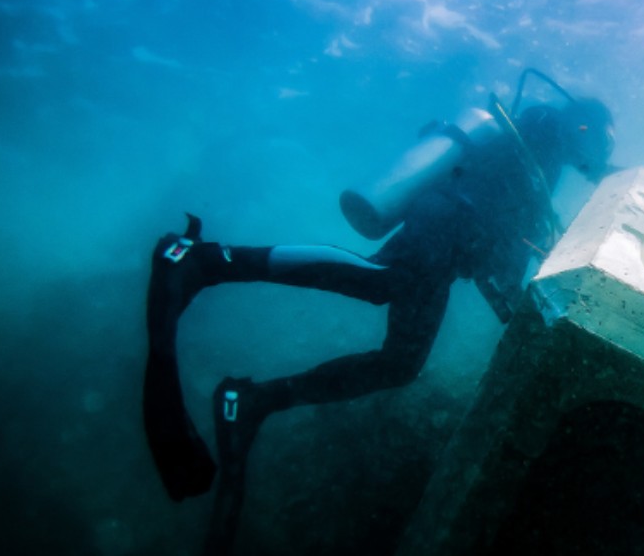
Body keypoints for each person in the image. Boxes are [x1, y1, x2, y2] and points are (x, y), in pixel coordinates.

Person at [143, 71, 616, 501]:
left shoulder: (546, 154)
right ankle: (211, 261)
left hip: (449, 244)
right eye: (597, 142)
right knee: (379, 281)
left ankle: (258, 399)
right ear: (582, 127)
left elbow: (509, 225)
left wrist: (509, 275)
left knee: (400, 363)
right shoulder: (543, 129)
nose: (594, 157)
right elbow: (508, 212)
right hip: (443, 226)